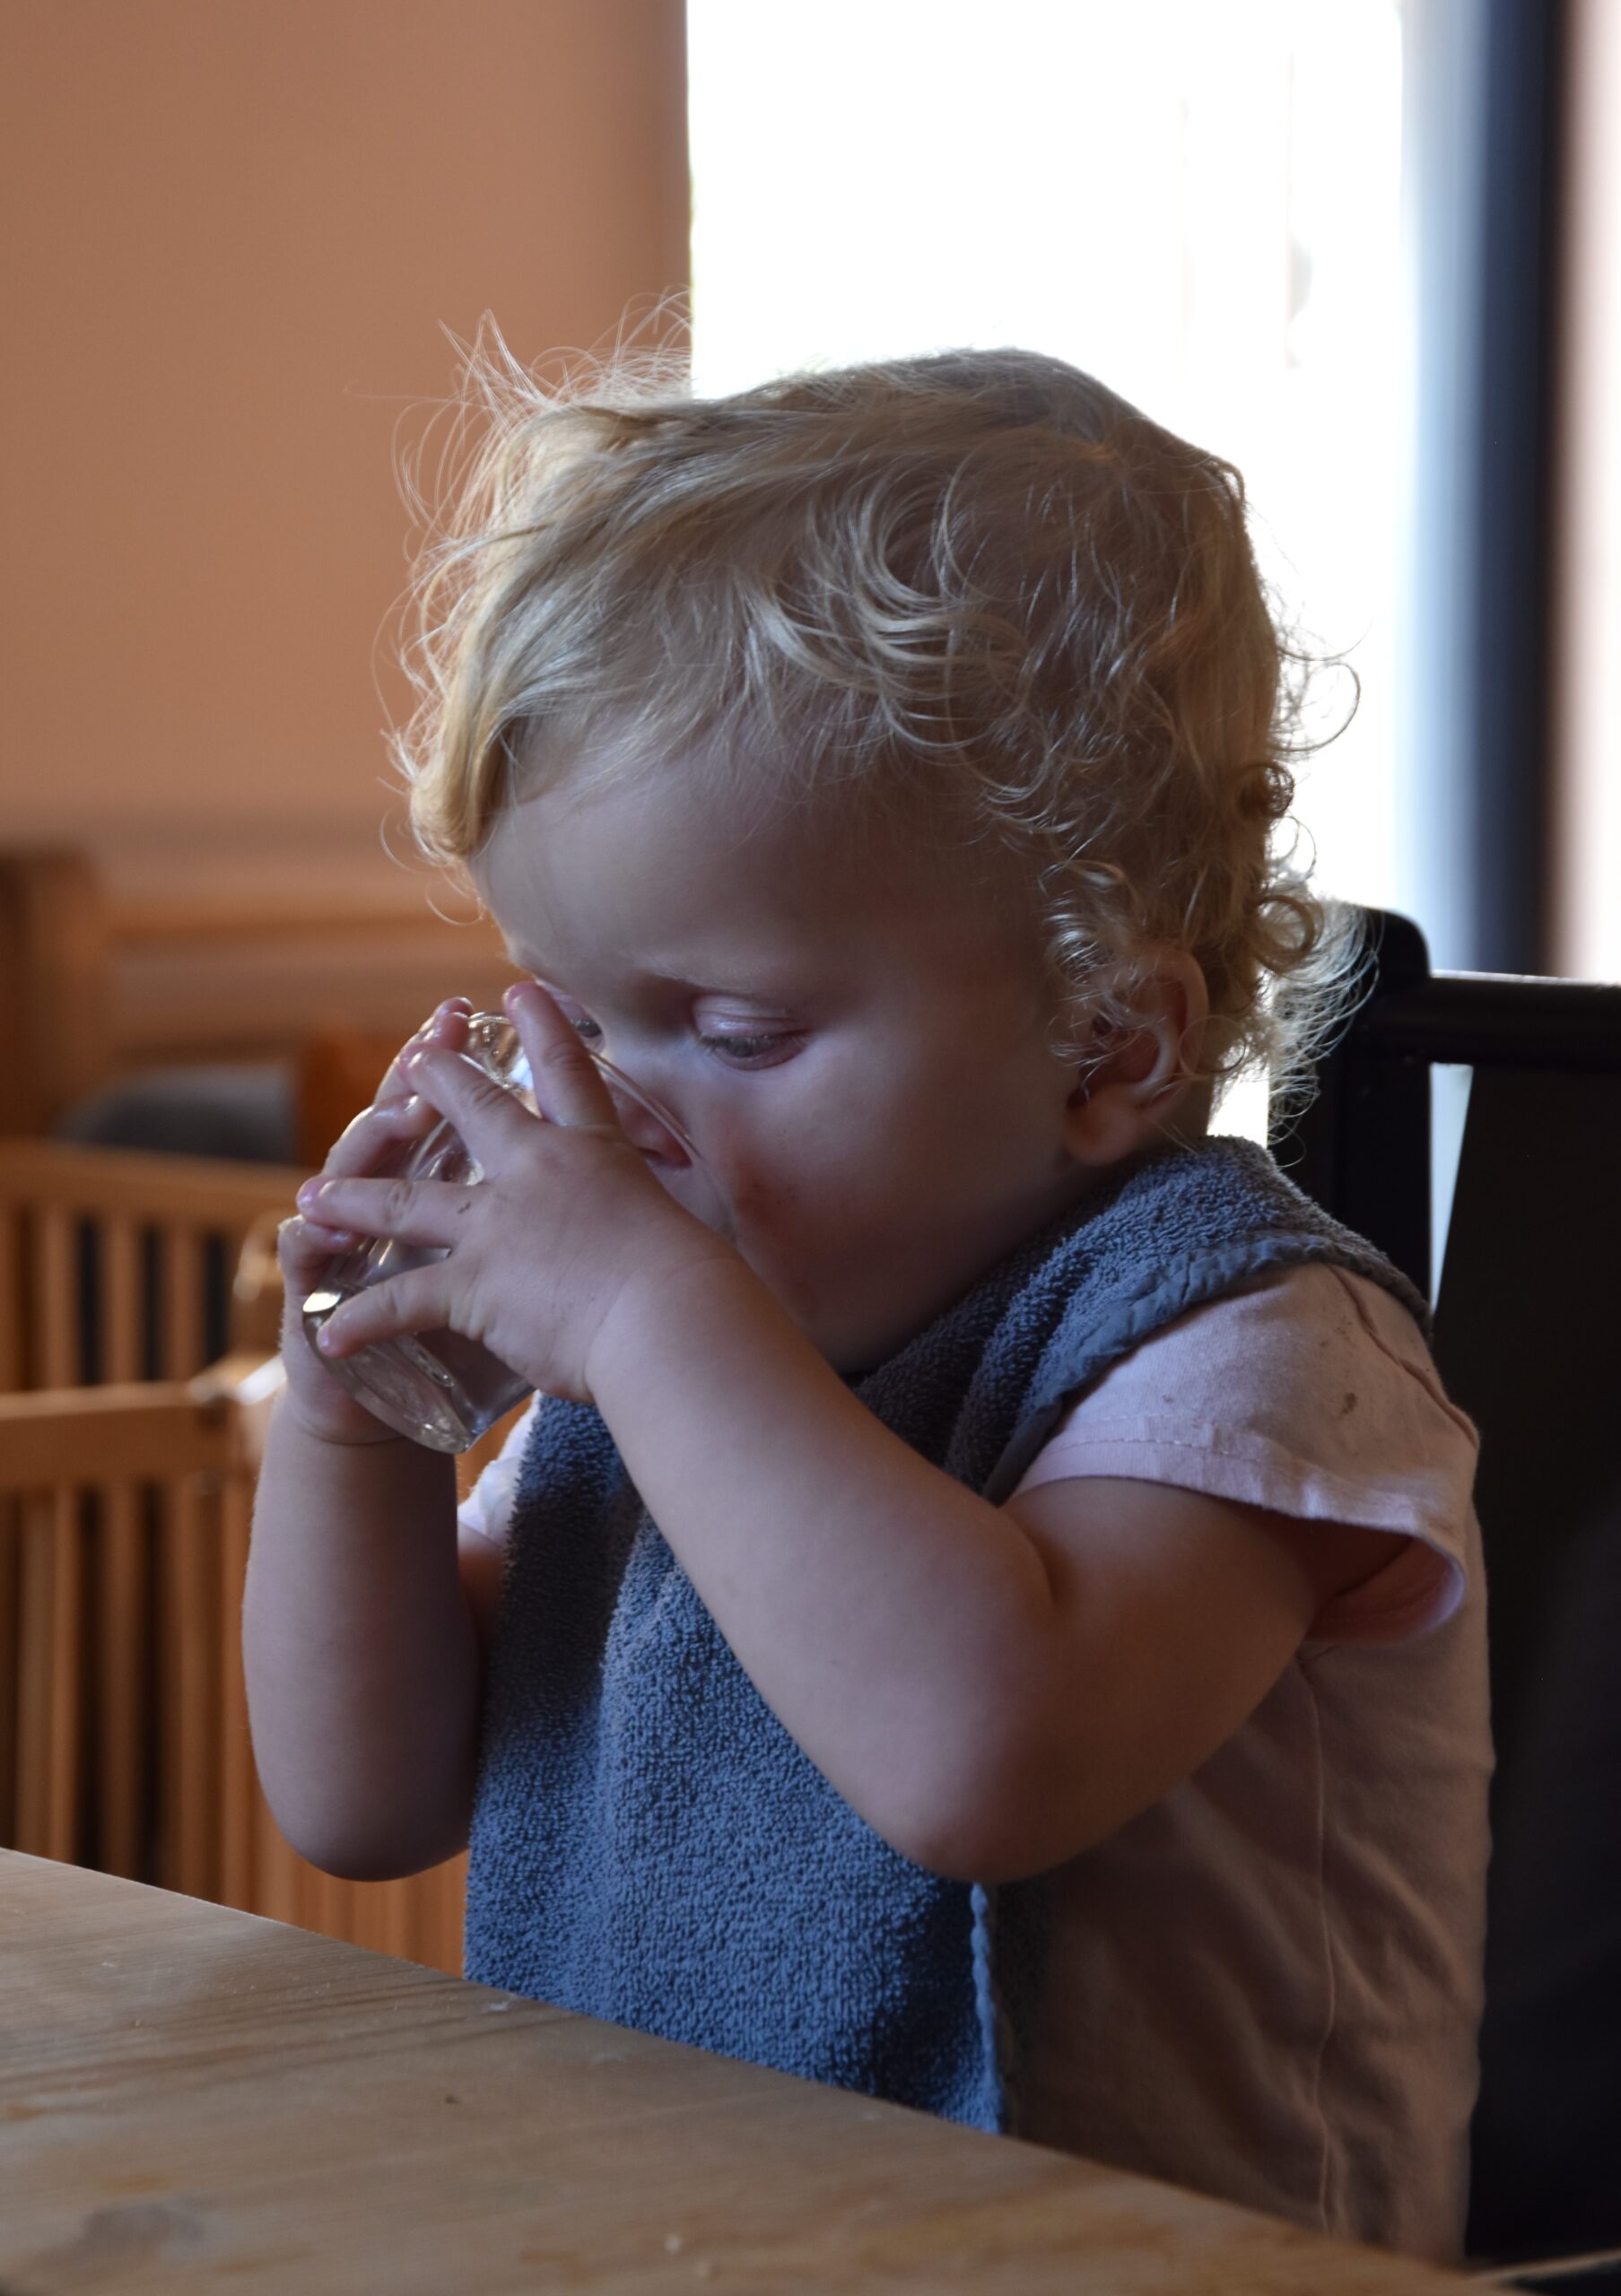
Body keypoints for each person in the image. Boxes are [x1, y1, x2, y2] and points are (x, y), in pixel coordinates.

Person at [243, 344, 1488, 2260]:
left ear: (1102, 1041)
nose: (616, 1107)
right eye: (568, 1013)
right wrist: (356, 1420)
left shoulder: (1244, 1354)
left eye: (730, 1025)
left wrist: (654, 1328)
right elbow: (364, 1794)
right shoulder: (678, 1350)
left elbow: (981, 1759)